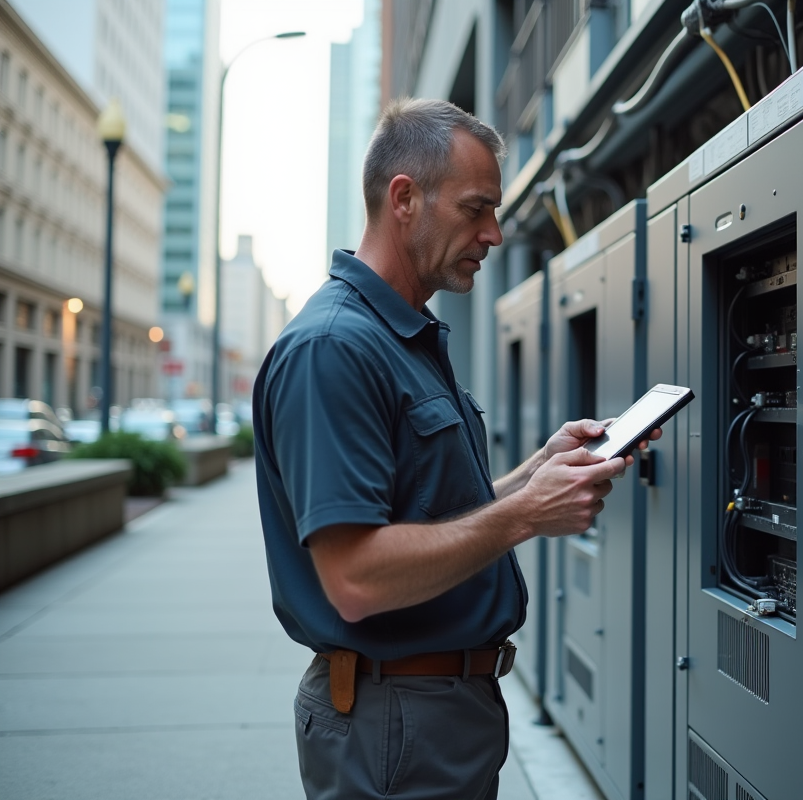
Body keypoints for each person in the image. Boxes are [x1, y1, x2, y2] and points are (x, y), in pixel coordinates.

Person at [253, 98, 656, 800]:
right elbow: (355, 578)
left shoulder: (398, 336)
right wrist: (526, 514)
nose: (494, 233)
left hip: (431, 716)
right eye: (477, 209)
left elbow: (422, 517)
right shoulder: (334, 350)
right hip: (395, 723)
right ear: (404, 198)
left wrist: (533, 476)